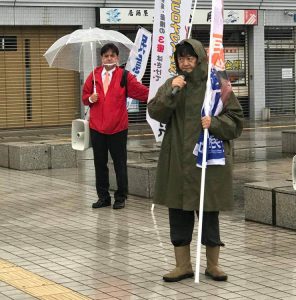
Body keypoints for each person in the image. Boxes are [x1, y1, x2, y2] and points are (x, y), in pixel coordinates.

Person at [148, 39, 244, 282]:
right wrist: (172, 93)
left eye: (190, 58)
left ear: (199, 58)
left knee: (209, 212)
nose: (185, 63)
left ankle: (213, 265)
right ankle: (183, 266)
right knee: (178, 212)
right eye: (181, 58)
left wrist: (216, 123)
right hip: (177, 159)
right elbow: (155, 112)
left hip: (207, 161)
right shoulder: (173, 83)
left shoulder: (217, 84)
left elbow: (236, 120)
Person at [82, 43, 149, 210]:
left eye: (112, 55)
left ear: (117, 58)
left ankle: (121, 196)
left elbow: (142, 92)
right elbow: (84, 97)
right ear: (101, 58)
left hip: (118, 128)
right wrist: (91, 98)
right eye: (106, 56)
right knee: (99, 164)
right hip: (97, 128)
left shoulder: (124, 76)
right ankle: (103, 197)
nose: (109, 58)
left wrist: (161, 91)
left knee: (120, 163)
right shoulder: (94, 76)